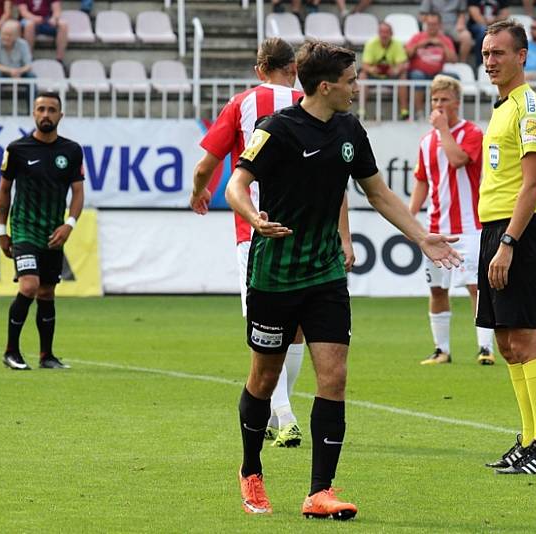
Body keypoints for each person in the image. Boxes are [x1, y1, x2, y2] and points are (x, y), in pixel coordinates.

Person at [226, 40, 461, 518]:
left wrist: (422, 237)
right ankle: (251, 470)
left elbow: (377, 192)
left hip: (326, 274)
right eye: (353, 80)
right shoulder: (277, 129)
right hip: (274, 274)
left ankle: (320, 492)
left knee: (334, 377)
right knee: (264, 377)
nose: (359, 87)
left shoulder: (350, 130)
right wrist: (252, 216)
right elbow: (236, 183)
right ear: (327, 86)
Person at [192, 38, 356, 449]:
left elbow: (207, 165)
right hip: (314, 238)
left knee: (266, 341)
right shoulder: (314, 100)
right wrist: (344, 236)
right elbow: (335, 180)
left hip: (259, 236)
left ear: (259, 68)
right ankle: (280, 412)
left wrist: (198, 191)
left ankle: (283, 415)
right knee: (297, 333)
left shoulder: (242, 104)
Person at [478, 20, 536, 475]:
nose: (490, 61)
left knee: (526, 338)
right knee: (506, 343)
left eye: (499, 53)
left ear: (522, 56)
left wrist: (508, 241)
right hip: (497, 230)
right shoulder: (502, 106)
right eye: (486, 53)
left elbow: (533, 183)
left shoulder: (529, 107)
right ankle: (528, 440)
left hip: (520, 233)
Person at [409, 74, 496, 366]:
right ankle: (441, 350)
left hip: (470, 227)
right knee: (437, 288)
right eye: (435, 100)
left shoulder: (472, 133)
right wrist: (410, 217)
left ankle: (485, 348)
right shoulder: (425, 142)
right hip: (436, 228)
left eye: (444, 99)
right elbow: (422, 181)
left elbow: (458, 159)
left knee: (475, 287)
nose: (439, 105)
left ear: (457, 102)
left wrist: (444, 129)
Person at [0, 92, 85, 371]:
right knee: (30, 286)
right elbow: (4, 190)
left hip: (53, 231)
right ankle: (11, 351)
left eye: (51, 110)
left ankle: (46, 356)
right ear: (33, 114)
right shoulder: (17, 149)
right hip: (24, 229)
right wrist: (1, 230)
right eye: (41, 109)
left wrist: (69, 224)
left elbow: (78, 192)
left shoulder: (72, 151)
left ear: (60, 115)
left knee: (47, 292)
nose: (46, 114)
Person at [405, 12, 458, 116]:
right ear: (425, 24)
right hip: (418, 72)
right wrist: (418, 46)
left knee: (454, 77)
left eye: (434, 24)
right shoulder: (417, 37)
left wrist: (442, 45)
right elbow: (406, 55)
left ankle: (447, 113)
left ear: (439, 25)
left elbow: (454, 59)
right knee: (418, 76)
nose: (432, 27)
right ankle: (419, 112)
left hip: (437, 73)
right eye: (429, 24)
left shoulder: (445, 40)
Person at [358, 21, 409, 119]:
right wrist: (372, 69)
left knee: (403, 76)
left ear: (391, 33)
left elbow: (403, 64)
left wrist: (395, 70)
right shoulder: (371, 44)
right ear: (378, 33)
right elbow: (365, 65)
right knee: (362, 75)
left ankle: (404, 112)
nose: (384, 35)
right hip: (374, 76)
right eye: (381, 32)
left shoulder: (397, 44)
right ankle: (361, 111)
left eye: (386, 32)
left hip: (391, 76)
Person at [0, 20, 35, 116]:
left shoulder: (23, 44)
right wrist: (11, 71)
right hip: (1, 72)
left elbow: (29, 65)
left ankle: (32, 112)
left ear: (16, 36)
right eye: (3, 34)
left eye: (9, 35)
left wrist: (18, 72)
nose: (5, 38)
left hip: (19, 72)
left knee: (32, 77)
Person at [467, 0, 509, 65]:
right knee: (483, 30)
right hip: (476, 26)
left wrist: (494, 20)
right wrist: (490, 26)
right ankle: (480, 63)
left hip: (496, 25)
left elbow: (505, 14)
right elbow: (475, 15)